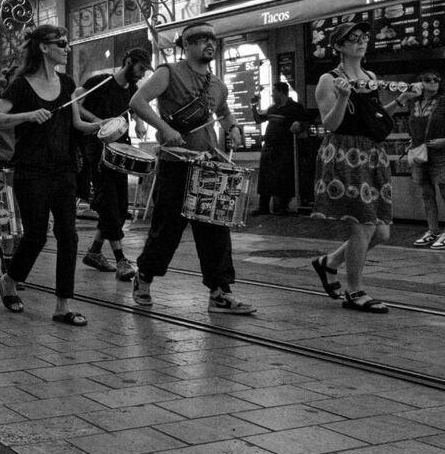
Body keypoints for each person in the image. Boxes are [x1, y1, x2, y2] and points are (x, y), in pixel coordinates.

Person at [128, 21, 256, 315]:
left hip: (209, 166)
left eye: (212, 39)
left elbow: (224, 112)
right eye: (200, 39)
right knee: (167, 231)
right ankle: (144, 277)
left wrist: (233, 127)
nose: (209, 43)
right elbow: (138, 101)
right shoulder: (169, 72)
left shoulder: (217, 84)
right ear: (186, 45)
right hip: (176, 163)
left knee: (215, 230)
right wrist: (164, 129)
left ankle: (220, 292)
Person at [0, 25, 100, 327]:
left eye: (67, 43)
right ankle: (9, 281)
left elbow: (76, 123)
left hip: (64, 169)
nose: (67, 48)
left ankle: (63, 305)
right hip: (31, 170)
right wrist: (27, 115)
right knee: (36, 236)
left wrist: (101, 126)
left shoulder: (67, 82)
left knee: (69, 235)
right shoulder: (21, 85)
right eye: (61, 43)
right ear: (44, 48)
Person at [308, 21, 398, 314]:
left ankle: (329, 262)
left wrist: (400, 101)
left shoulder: (370, 77)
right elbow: (331, 124)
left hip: (372, 153)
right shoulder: (329, 79)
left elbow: (373, 116)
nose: (361, 42)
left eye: (364, 37)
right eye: (354, 38)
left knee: (381, 232)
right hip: (345, 154)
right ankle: (354, 290)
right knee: (364, 224)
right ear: (339, 46)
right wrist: (343, 97)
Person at [77, 46, 152, 281]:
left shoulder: (132, 89)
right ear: (128, 61)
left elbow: (135, 108)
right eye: (140, 68)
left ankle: (95, 252)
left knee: (119, 206)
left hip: (120, 150)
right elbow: (76, 102)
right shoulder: (100, 82)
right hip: (98, 149)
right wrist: (97, 121)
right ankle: (121, 260)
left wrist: (139, 122)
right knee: (109, 202)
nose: (141, 73)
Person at [400, 70, 445, 249]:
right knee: (427, 193)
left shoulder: (443, 101)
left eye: (437, 79)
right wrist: (412, 141)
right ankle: (432, 230)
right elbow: (413, 125)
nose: (433, 82)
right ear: (420, 83)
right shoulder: (414, 102)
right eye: (428, 79)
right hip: (421, 151)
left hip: (441, 152)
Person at [250, 82, 306, 216]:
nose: (272, 94)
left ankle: (283, 207)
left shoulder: (295, 107)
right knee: (265, 177)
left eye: (274, 91)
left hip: (285, 147)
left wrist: (298, 123)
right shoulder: (272, 108)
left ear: (281, 92)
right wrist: (253, 107)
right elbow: (258, 120)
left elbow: (304, 122)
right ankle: (263, 206)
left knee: (283, 176)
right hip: (269, 146)